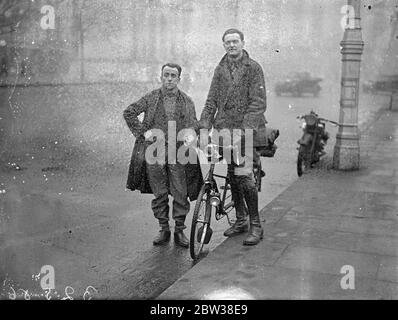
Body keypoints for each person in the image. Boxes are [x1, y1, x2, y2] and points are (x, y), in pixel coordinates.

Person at [199, 28, 267, 246]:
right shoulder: (220, 70)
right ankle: (240, 219)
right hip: (224, 130)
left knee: (245, 177)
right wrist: (203, 127)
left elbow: (258, 103)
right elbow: (211, 101)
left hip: (245, 131)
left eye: (235, 41)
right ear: (223, 45)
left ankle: (255, 224)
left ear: (243, 43)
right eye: (227, 42)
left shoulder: (253, 68)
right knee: (232, 173)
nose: (231, 45)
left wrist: (243, 130)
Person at [123, 63, 202, 248]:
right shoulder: (151, 98)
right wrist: (143, 133)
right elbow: (129, 112)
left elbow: (193, 124)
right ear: (161, 76)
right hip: (155, 153)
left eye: (173, 75)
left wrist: (191, 133)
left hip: (179, 153)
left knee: (180, 193)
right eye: (166, 75)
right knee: (159, 193)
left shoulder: (187, 101)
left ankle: (179, 230)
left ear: (179, 79)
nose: (169, 78)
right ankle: (164, 228)